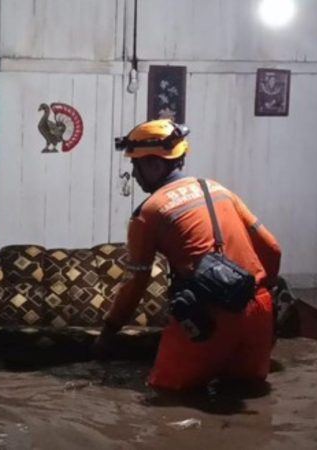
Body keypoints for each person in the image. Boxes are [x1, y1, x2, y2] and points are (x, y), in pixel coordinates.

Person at [95, 119, 282, 392]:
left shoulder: (149, 213)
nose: (133, 175)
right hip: (259, 308)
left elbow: (136, 282)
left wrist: (109, 331)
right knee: (245, 396)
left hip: (208, 316)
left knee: (165, 400)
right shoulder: (220, 190)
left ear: (155, 165)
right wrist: (263, 301)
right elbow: (273, 249)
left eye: (135, 165)